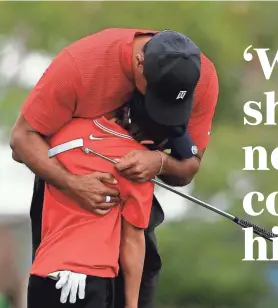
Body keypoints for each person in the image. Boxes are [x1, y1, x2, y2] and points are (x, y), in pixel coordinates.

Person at [10, 28, 218, 307]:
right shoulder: (79, 66)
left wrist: (159, 162)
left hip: (137, 184)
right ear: (139, 64)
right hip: (60, 185)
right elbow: (21, 139)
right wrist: (72, 183)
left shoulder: (201, 78)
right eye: (158, 100)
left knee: (141, 274)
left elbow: (189, 167)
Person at [27, 98, 191, 308]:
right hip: (87, 279)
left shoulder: (63, 131)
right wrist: (132, 304)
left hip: (42, 275)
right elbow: (132, 242)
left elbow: (22, 149)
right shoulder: (138, 165)